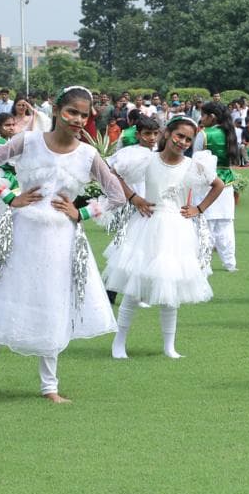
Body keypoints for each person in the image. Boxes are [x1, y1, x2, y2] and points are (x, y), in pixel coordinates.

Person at [0, 87, 126, 404]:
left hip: (61, 240)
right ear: (58, 110)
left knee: (52, 304)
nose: (77, 119)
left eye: (84, 114)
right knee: (2, 300)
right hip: (22, 233)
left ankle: (50, 387)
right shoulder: (29, 141)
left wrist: (82, 212)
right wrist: (10, 197)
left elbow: (117, 194)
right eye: (72, 111)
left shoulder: (88, 154)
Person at [103, 115, 225, 360]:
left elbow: (218, 185)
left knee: (171, 290)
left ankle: (169, 345)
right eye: (179, 136)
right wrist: (133, 197)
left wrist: (198, 209)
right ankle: (119, 342)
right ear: (166, 134)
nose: (183, 142)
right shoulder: (146, 159)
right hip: (147, 225)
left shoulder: (193, 165)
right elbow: (113, 172)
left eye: (188, 140)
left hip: (177, 230)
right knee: (134, 287)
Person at [192, 101, 240, 271]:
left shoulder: (204, 134)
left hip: (207, 183)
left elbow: (195, 160)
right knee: (225, 225)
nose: (201, 118)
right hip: (226, 183)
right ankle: (230, 263)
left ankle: (204, 264)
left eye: (203, 115)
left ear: (211, 117)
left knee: (204, 224)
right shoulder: (230, 133)